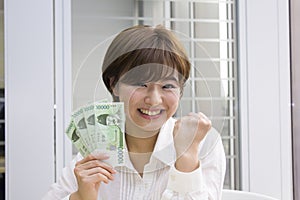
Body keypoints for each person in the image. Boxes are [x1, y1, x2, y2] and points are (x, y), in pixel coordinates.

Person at [43, 25, 226, 200]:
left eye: (167, 86)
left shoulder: (203, 144)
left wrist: (186, 160)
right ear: (114, 84)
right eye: (140, 84)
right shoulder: (95, 148)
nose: (154, 100)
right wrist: (81, 198)